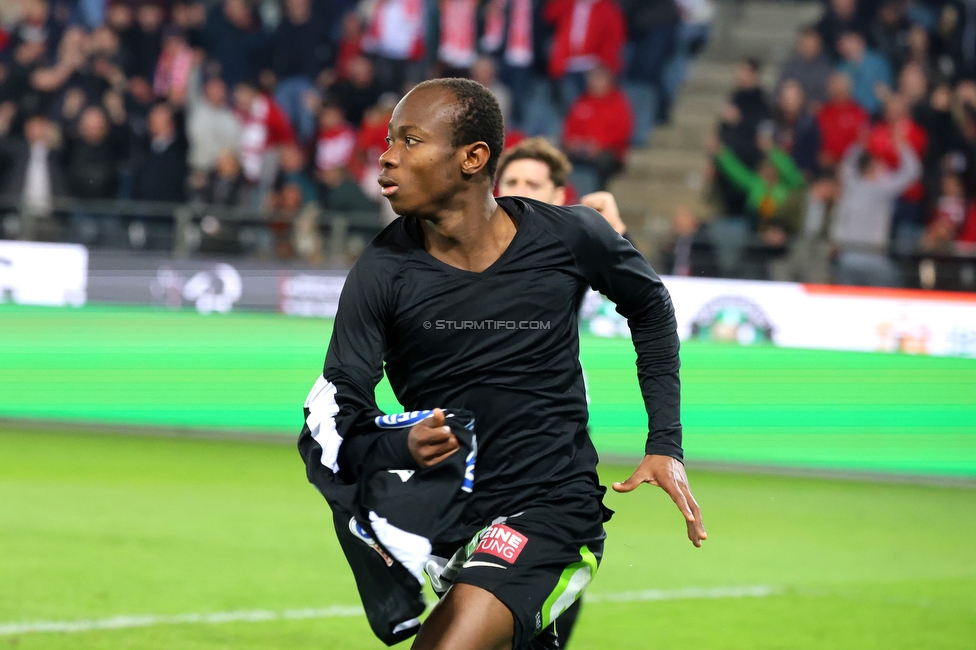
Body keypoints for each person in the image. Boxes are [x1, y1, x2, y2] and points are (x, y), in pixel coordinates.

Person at [298, 78, 705, 650]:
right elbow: (342, 398)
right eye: (389, 140)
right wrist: (394, 446)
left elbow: (651, 305)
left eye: (410, 141)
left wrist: (665, 441)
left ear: (472, 157)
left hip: (551, 512)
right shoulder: (380, 273)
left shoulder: (570, 236)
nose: (386, 156)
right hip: (447, 522)